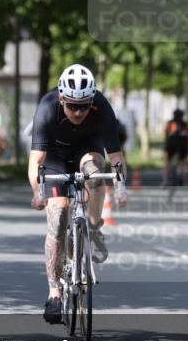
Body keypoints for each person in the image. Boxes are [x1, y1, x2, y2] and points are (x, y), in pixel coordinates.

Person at [28, 64, 128, 324]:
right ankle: (54, 293)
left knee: (94, 173)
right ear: (62, 99)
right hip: (55, 156)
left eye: (84, 106)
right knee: (58, 214)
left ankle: (93, 228)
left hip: (87, 149)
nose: (78, 112)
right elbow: (35, 161)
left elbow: (116, 157)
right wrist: (38, 192)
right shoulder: (47, 107)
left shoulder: (102, 107)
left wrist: (121, 187)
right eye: (72, 106)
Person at [163, 108, 188, 186]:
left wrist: (165, 147)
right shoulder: (185, 124)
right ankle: (182, 176)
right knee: (183, 161)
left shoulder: (170, 123)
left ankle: (166, 179)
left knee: (168, 161)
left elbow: (166, 135)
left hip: (171, 145)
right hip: (183, 146)